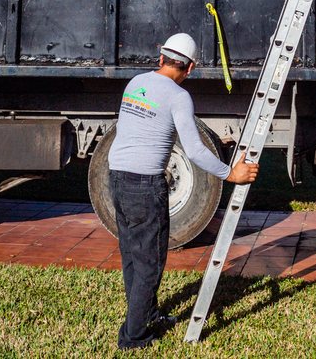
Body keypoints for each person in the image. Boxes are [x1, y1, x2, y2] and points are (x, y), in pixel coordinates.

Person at [108, 32, 259, 351]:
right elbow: (195, 151)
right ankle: (133, 337)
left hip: (117, 178)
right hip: (145, 185)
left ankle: (147, 313)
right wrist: (231, 173)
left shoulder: (136, 82)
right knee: (150, 261)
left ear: (161, 58)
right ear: (189, 68)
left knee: (132, 255)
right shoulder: (179, 96)